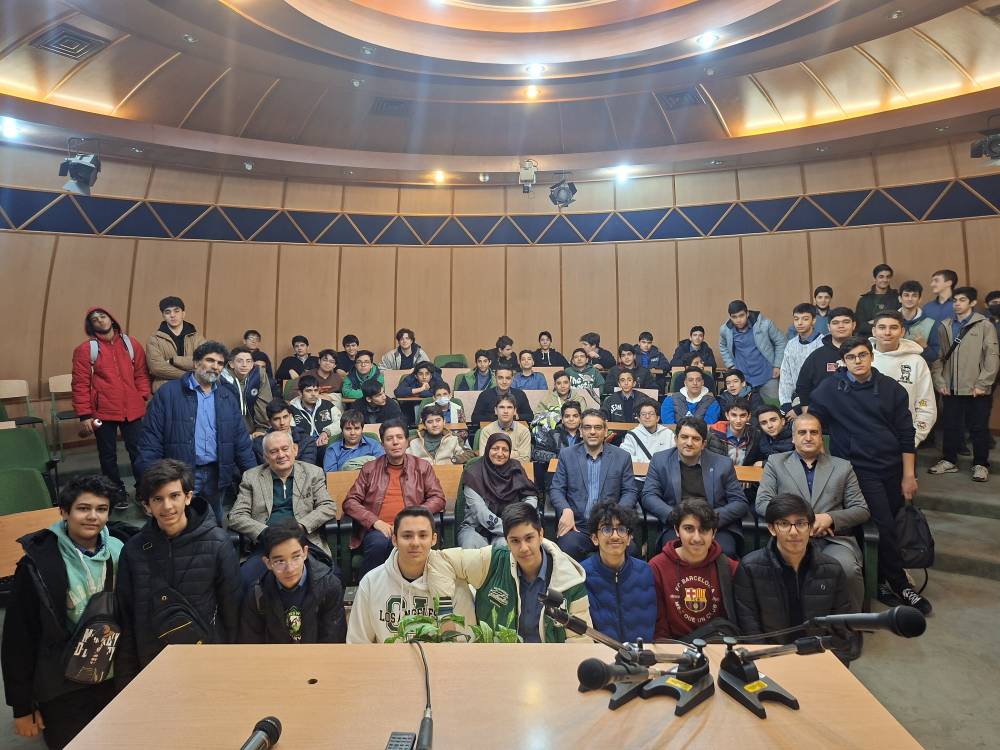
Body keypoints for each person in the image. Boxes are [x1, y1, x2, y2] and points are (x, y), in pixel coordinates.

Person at [809, 336, 931, 614]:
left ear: (871, 356)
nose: (858, 361)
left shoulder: (891, 389)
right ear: (843, 361)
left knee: (891, 526)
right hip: (859, 470)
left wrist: (908, 475)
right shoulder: (830, 388)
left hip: (893, 467)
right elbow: (813, 420)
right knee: (883, 526)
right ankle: (901, 585)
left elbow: (906, 434)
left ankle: (880, 578)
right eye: (851, 357)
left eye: (862, 355)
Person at [2, 476, 123, 749]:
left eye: (101, 509)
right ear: (64, 512)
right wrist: (22, 707)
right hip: (62, 687)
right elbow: (18, 640)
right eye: (83, 508)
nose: (92, 516)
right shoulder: (36, 565)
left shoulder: (121, 551)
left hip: (114, 677)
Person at [115, 459, 242, 687]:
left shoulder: (218, 543)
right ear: (146, 506)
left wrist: (231, 667)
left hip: (208, 662)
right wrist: (127, 680)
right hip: (153, 666)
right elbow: (127, 618)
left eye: (174, 496)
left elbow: (232, 613)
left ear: (188, 497)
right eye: (157, 499)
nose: (167, 506)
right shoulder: (132, 551)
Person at [428, 502, 592, 643]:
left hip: (548, 663)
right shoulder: (492, 560)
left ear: (541, 535)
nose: (523, 548)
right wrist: (445, 613)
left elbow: (580, 642)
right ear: (506, 541)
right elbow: (440, 559)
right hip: (497, 661)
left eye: (529, 538)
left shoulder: (569, 580)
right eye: (515, 541)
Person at [756, 412, 871, 611]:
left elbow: (861, 509)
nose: (808, 437)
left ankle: (850, 623)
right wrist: (802, 522)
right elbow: (762, 503)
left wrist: (830, 518)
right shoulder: (776, 463)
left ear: (821, 437)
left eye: (813, 432)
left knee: (847, 569)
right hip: (789, 537)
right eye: (802, 432)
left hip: (832, 540)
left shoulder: (842, 467)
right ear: (793, 437)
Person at [136, 340, 257, 525]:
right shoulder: (168, 393)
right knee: (179, 525)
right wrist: (150, 481)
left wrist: (254, 477)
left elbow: (241, 441)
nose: (215, 366)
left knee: (214, 524)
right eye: (210, 360)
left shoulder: (226, 396)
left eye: (220, 363)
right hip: (179, 475)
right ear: (195, 363)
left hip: (217, 474)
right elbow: (150, 440)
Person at [733, 494, 853, 659]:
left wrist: (833, 664)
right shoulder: (750, 568)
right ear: (772, 528)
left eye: (801, 524)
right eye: (784, 524)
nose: (794, 532)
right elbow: (750, 629)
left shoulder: (832, 569)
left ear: (811, 528)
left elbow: (841, 629)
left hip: (819, 658)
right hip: (770, 658)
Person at [347, 507, 475, 643]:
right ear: (394, 540)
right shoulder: (370, 583)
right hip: (389, 657)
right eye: (407, 536)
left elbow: (466, 643)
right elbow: (357, 643)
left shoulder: (454, 584)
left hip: (439, 657)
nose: (415, 543)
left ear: (433, 539)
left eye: (423, 536)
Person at [229, 430, 338, 586]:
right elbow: (236, 515)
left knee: (328, 580)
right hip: (267, 544)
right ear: (266, 457)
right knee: (244, 582)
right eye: (274, 451)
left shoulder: (312, 473)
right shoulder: (251, 477)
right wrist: (264, 532)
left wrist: (302, 525)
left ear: (295, 450)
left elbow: (328, 506)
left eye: (285, 449)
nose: (281, 455)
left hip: (304, 540)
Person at [342, 420, 446, 578]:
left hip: (412, 527)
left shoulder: (422, 467)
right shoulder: (370, 469)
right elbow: (350, 502)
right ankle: (371, 587)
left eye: (399, 437)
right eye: (389, 439)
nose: (395, 442)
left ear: (407, 442)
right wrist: (375, 522)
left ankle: (407, 586)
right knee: (379, 543)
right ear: (382, 444)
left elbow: (438, 498)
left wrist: (412, 515)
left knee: (404, 542)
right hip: (379, 530)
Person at [71, 307, 150, 509]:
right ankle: (116, 492)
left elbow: (141, 373)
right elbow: (80, 384)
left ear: (111, 319)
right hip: (102, 413)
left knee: (139, 452)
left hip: (132, 410)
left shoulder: (131, 344)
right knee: (107, 455)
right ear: (91, 325)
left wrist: (141, 395)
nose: (99, 320)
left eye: (102, 316)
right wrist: (85, 415)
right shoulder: (86, 350)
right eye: (94, 319)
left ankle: (143, 490)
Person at [641, 417, 749, 556]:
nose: (689, 443)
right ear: (676, 439)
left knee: (725, 552)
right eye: (684, 437)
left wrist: (711, 519)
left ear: (703, 444)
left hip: (713, 524)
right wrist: (674, 516)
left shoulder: (723, 464)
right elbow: (649, 495)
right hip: (677, 523)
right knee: (672, 551)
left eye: (695, 439)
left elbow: (740, 502)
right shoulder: (660, 460)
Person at [929, 286, 999, 482]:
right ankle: (949, 461)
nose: (957, 304)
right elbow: (940, 357)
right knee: (950, 426)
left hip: (977, 388)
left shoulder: (985, 325)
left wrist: (983, 383)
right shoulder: (945, 325)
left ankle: (981, 464)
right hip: (950, 387)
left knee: (978, 428)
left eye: (962, 300)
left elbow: (992, 357)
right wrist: (939, 380)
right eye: (955, 300)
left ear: (973, 303)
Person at [238, 519, 346, 644]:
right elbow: (251, 645)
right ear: (268, 563)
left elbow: (333, 640)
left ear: (305, 553)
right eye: (280, 561)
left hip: (317, 655)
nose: (290, 569)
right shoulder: (257, 594)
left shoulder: (329, 586)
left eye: (296, 557)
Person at [549, 409, 638, 560]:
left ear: (605, 431)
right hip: (578, 526)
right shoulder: (567, 455)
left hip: (611, 525)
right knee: (566, 548)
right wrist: (565, 509)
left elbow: (630, 491)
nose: (592, 432)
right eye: (587, 427)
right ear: (581, 431)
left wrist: (617, 516)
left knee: (631, 551)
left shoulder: (622, 457)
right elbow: (557, 489)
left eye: (597, 427)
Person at [648, 499, 739, 640]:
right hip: (675, 647)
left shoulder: (730, 568)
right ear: (677, 530)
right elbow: (659, 629)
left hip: (717, 645)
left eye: (704, 529)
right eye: (689, 529)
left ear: (714, 533)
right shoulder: (657, 567)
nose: (696, 538)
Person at [581, 501, 657, 643]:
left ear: (629, 538)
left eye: (621, 529)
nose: (615, 536)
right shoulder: (581, 575)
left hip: (640, 653)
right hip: (599, 654)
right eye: (606, 529)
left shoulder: (646, 572)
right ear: (595, 538)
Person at [459, 432, 538, 548]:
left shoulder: (515, 469)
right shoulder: (473, 473)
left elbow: (530, 495)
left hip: (512, 525)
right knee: (471, 547)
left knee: (506, 547)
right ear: (487, 449)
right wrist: (510, 528)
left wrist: (522, 516)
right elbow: (480, 511)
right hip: (476, 528)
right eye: (495, 448)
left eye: (505, 450)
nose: (500, 453)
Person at [871, 311, 937, 447]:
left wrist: (914, 439)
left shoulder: (917, 361)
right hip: (866, 440)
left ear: (902, 332)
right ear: (874, 331)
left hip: (905, 440)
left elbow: (926, 404)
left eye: (893, 328)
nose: (887, 332)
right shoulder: (861, 359)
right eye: (882, 327)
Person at [719, 300, 786, 401]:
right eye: (734, 317)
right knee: (744, 408)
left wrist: (777, 365)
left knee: (773, 407)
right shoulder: (725, 330)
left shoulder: (765, 324)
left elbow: (781, 341)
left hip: (768, 374)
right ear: (730, 317)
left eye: (741, 315)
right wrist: (731, 365)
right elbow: (722, 346)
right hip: (743, 379)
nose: (738, 320)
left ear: (747, 313)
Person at [795, 307, 857, 411]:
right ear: (828, 327)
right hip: (823, 413)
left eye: (846, 322)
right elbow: (803, 386)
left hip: (857, 412)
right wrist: (806, 411)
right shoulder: (816, 356)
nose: (841, 326)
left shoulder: (864, 353)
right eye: (835, 323)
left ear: (854, 325)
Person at [146, 295, 205, 391]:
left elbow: (203, 362)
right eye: (167, 312)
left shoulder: (197, 338)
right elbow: (156, 368)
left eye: (176, 311)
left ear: (183, 313)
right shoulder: (154, 339)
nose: (172, 315)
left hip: (193, 389)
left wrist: (173, 360)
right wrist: (189, 375)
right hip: (165, 390)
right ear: (163, 315)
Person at [779, 303, 825, 416]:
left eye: (805, 319)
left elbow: (823, 380)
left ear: (813, 320)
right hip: (795, 399)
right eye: (796, 319)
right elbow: (786, 375)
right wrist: (786, 402)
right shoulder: (791, 344)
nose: (799, 323)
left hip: (817, 401)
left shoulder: (822, 343)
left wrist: (800, 407)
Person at [288, 374, 342, 466]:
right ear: (300, 393)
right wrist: (309, 442)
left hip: (326, 444)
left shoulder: (327, 405)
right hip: (304, 448)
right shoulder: (292, 409)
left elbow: (341, 422)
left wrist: (327, 432)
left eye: (316, 390)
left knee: (330, 451)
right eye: (308, 391)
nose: (313, 394)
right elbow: (291, 430)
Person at [220, 346, 272, 437]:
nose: (244, 365)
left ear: (252, 364)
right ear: (231, 364)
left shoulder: (259, 375)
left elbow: (263, 403)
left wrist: (262, 429)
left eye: (248, 361)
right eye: (239, 361)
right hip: (227, 430)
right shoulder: (221, 377)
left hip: (255, 430)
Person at [251, 399, 318, 467]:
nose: (282, 423)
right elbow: (263, 469)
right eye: (276, 419)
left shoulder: (306, 441)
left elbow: (307, 468)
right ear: (269, 422)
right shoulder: (259, 443)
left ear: (290, 417)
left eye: (285, 417)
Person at [898, 280, 943, 364]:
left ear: (920, 299)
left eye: (914, 295)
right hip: (894, 368)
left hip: (920, 368)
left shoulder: (930, 323)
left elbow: (935, 357)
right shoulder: (890, 321)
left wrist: (924, 347)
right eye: (906, 295)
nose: (910, 299)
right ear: (900, 299)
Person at [710, 398, 763, 467]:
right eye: (734, 415)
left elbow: (765, 456)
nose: (738, 420)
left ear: (749, 416)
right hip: (720, 473)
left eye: (742, 415)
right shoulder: (713, 433)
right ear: (727, 415)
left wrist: (762, 463)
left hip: (746, 473)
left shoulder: (756, 435)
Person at [478, 395, 532, 461]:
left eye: (509, 407)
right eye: (501, 407)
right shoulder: (487, 431)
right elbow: (484, 458)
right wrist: (516, 453)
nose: (505, 411)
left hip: (516, 467)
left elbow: (525, 459)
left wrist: (497, 454)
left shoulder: (524, 431)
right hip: (493, 468)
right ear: (496, 410)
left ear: (515, 411)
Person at [622, 402, 676, 466]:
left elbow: (675, 456)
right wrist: (649, 463)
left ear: (657, 418)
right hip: (640, 471)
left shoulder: (668, 434)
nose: (647, 417)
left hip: (663, 471)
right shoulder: (632, 435)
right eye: (643, 414)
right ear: (639, 419)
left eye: (651, 414)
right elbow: (624, 457)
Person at [532, 400, 583, 464]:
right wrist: (559, 457)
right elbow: (537, 453)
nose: (571, 419)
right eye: (567, 416)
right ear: (562, 419)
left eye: (575, 416)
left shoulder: (586, 435)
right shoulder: (553, 434)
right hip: (558, 468)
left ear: (580, 419)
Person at [854, 264, 898, 337]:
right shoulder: (864, 300)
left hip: (891, 338)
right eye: (881, 277)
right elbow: (860, 327)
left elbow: (899, 323)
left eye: (888, 277)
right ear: (875, 278)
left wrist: (873, 322)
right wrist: (884, 325)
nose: (885, 280)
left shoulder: (897, 298)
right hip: (868, 339)